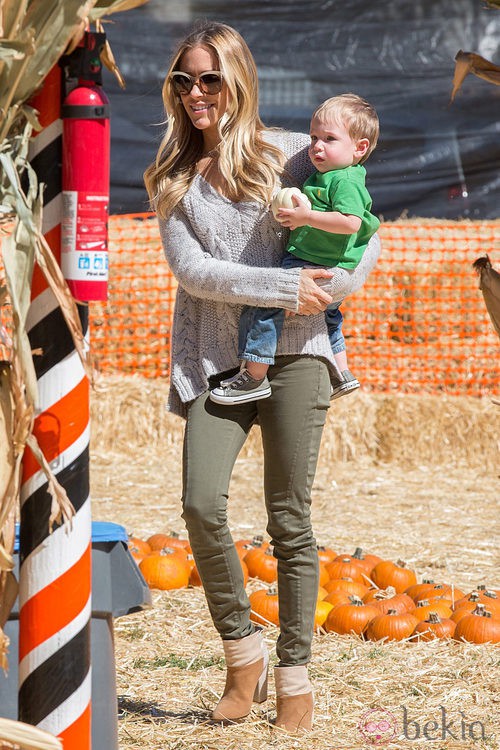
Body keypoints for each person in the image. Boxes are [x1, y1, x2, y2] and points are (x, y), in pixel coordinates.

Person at [144, 21, 381, 732]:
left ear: (238, 79)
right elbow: (195, 272)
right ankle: (241, 647)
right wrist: (281, 289)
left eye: (209, 79)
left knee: (289, 518)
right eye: (183, 81)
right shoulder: (173, 177)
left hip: (301, 352)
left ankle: (295, 678)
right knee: (199, 503)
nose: (195, 94)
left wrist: (330, 289)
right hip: (219, 361)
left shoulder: (292, 151)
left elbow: (362, 228)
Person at [210, 93, 380, 406]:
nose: (316, 146)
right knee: (331, 319)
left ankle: (254, 376)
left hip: (310, 263)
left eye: (329, 139)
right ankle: (342, 373)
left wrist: (306, 217)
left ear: (360, 147)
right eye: (314, 136)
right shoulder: (327, 175)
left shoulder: (344, 180)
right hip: (326, 263)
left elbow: (351, 223)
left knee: (265, 307)